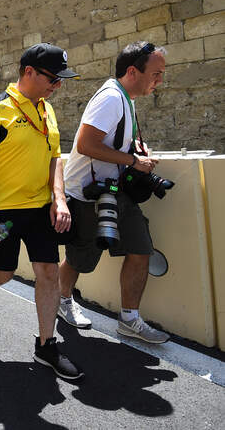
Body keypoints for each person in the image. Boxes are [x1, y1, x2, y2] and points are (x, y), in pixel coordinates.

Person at [0, 43, 83, 381]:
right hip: (4, 213)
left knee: (49, 272)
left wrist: (59, 198)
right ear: (29, 72)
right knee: (3, 273)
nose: (58, 87)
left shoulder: (47, 109)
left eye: (60, 81)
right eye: (53, 79)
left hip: (41, 208)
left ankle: (46, 345)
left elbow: (55, 157)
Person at [58, 41, 169, 344]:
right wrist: (134, 161)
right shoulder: (110, 98)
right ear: (133, 72)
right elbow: (86, 145)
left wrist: (135, 150)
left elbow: (112, 140)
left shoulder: (126, 98)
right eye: (156, 74)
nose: (159, 80)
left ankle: (129, 320)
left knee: (140, 249)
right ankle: (63, 301)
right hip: (88, 195)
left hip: (115, 190)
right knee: (80, 260)